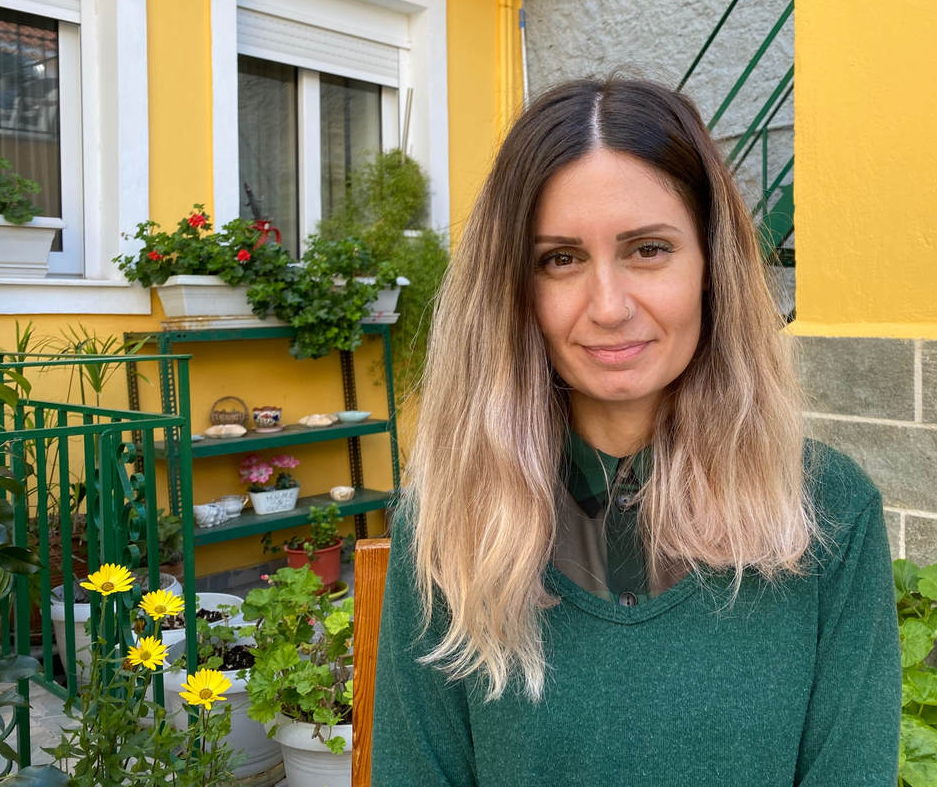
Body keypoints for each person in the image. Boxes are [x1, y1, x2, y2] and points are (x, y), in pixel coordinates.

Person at [371, 75, 901, 786]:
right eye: (560, 259)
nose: (610, 306)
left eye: (648, 249)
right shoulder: (449, 523)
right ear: (515, 291)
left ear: (712, 266)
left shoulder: (829, 512)